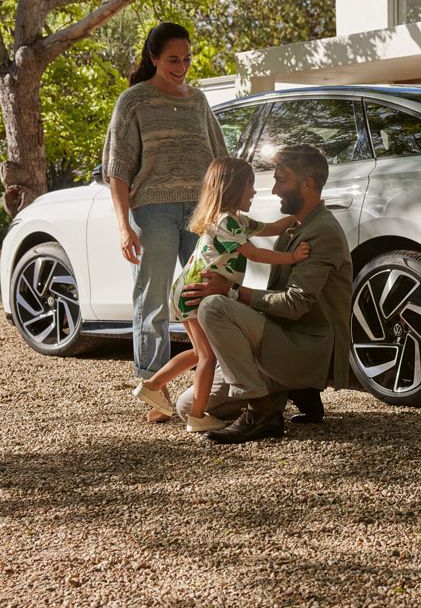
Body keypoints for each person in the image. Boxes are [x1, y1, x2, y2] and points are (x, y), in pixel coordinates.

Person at [175, 144, 353, 442]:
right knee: (187, 407)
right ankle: (292, 389)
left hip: (305, 347)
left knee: (213, 307)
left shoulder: (322, 233)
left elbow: (295, 305)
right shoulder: (295, 228)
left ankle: (262, 412)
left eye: (281, 180)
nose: (274, 189)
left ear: (308, 185)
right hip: (282, 337)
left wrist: (230, 291)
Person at [101, 22, 228, 420]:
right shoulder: (133, 101)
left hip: (199, 213)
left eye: (187, 59)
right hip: (152, 211)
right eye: (173, 59)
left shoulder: (198, 101)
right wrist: (124, 227)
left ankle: (218, 382)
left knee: (205, 296)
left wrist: (224, 214)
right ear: (153, 58)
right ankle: (153, 388)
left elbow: (219, 159)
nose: (182, 66)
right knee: (153, 300)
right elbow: (118, 170)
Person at [131, 158, 310, 432]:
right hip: (196, 292)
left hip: (188, 290)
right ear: (234, 187)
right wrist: (292, 257)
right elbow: (254, 253)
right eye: (250, 185)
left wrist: (300, 217)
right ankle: (198, 417)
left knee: (201, 351)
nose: (254, 191)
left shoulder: (235, 219)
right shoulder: (227, 221)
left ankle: (153, 384)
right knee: (207, 357)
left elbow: (271, 228)